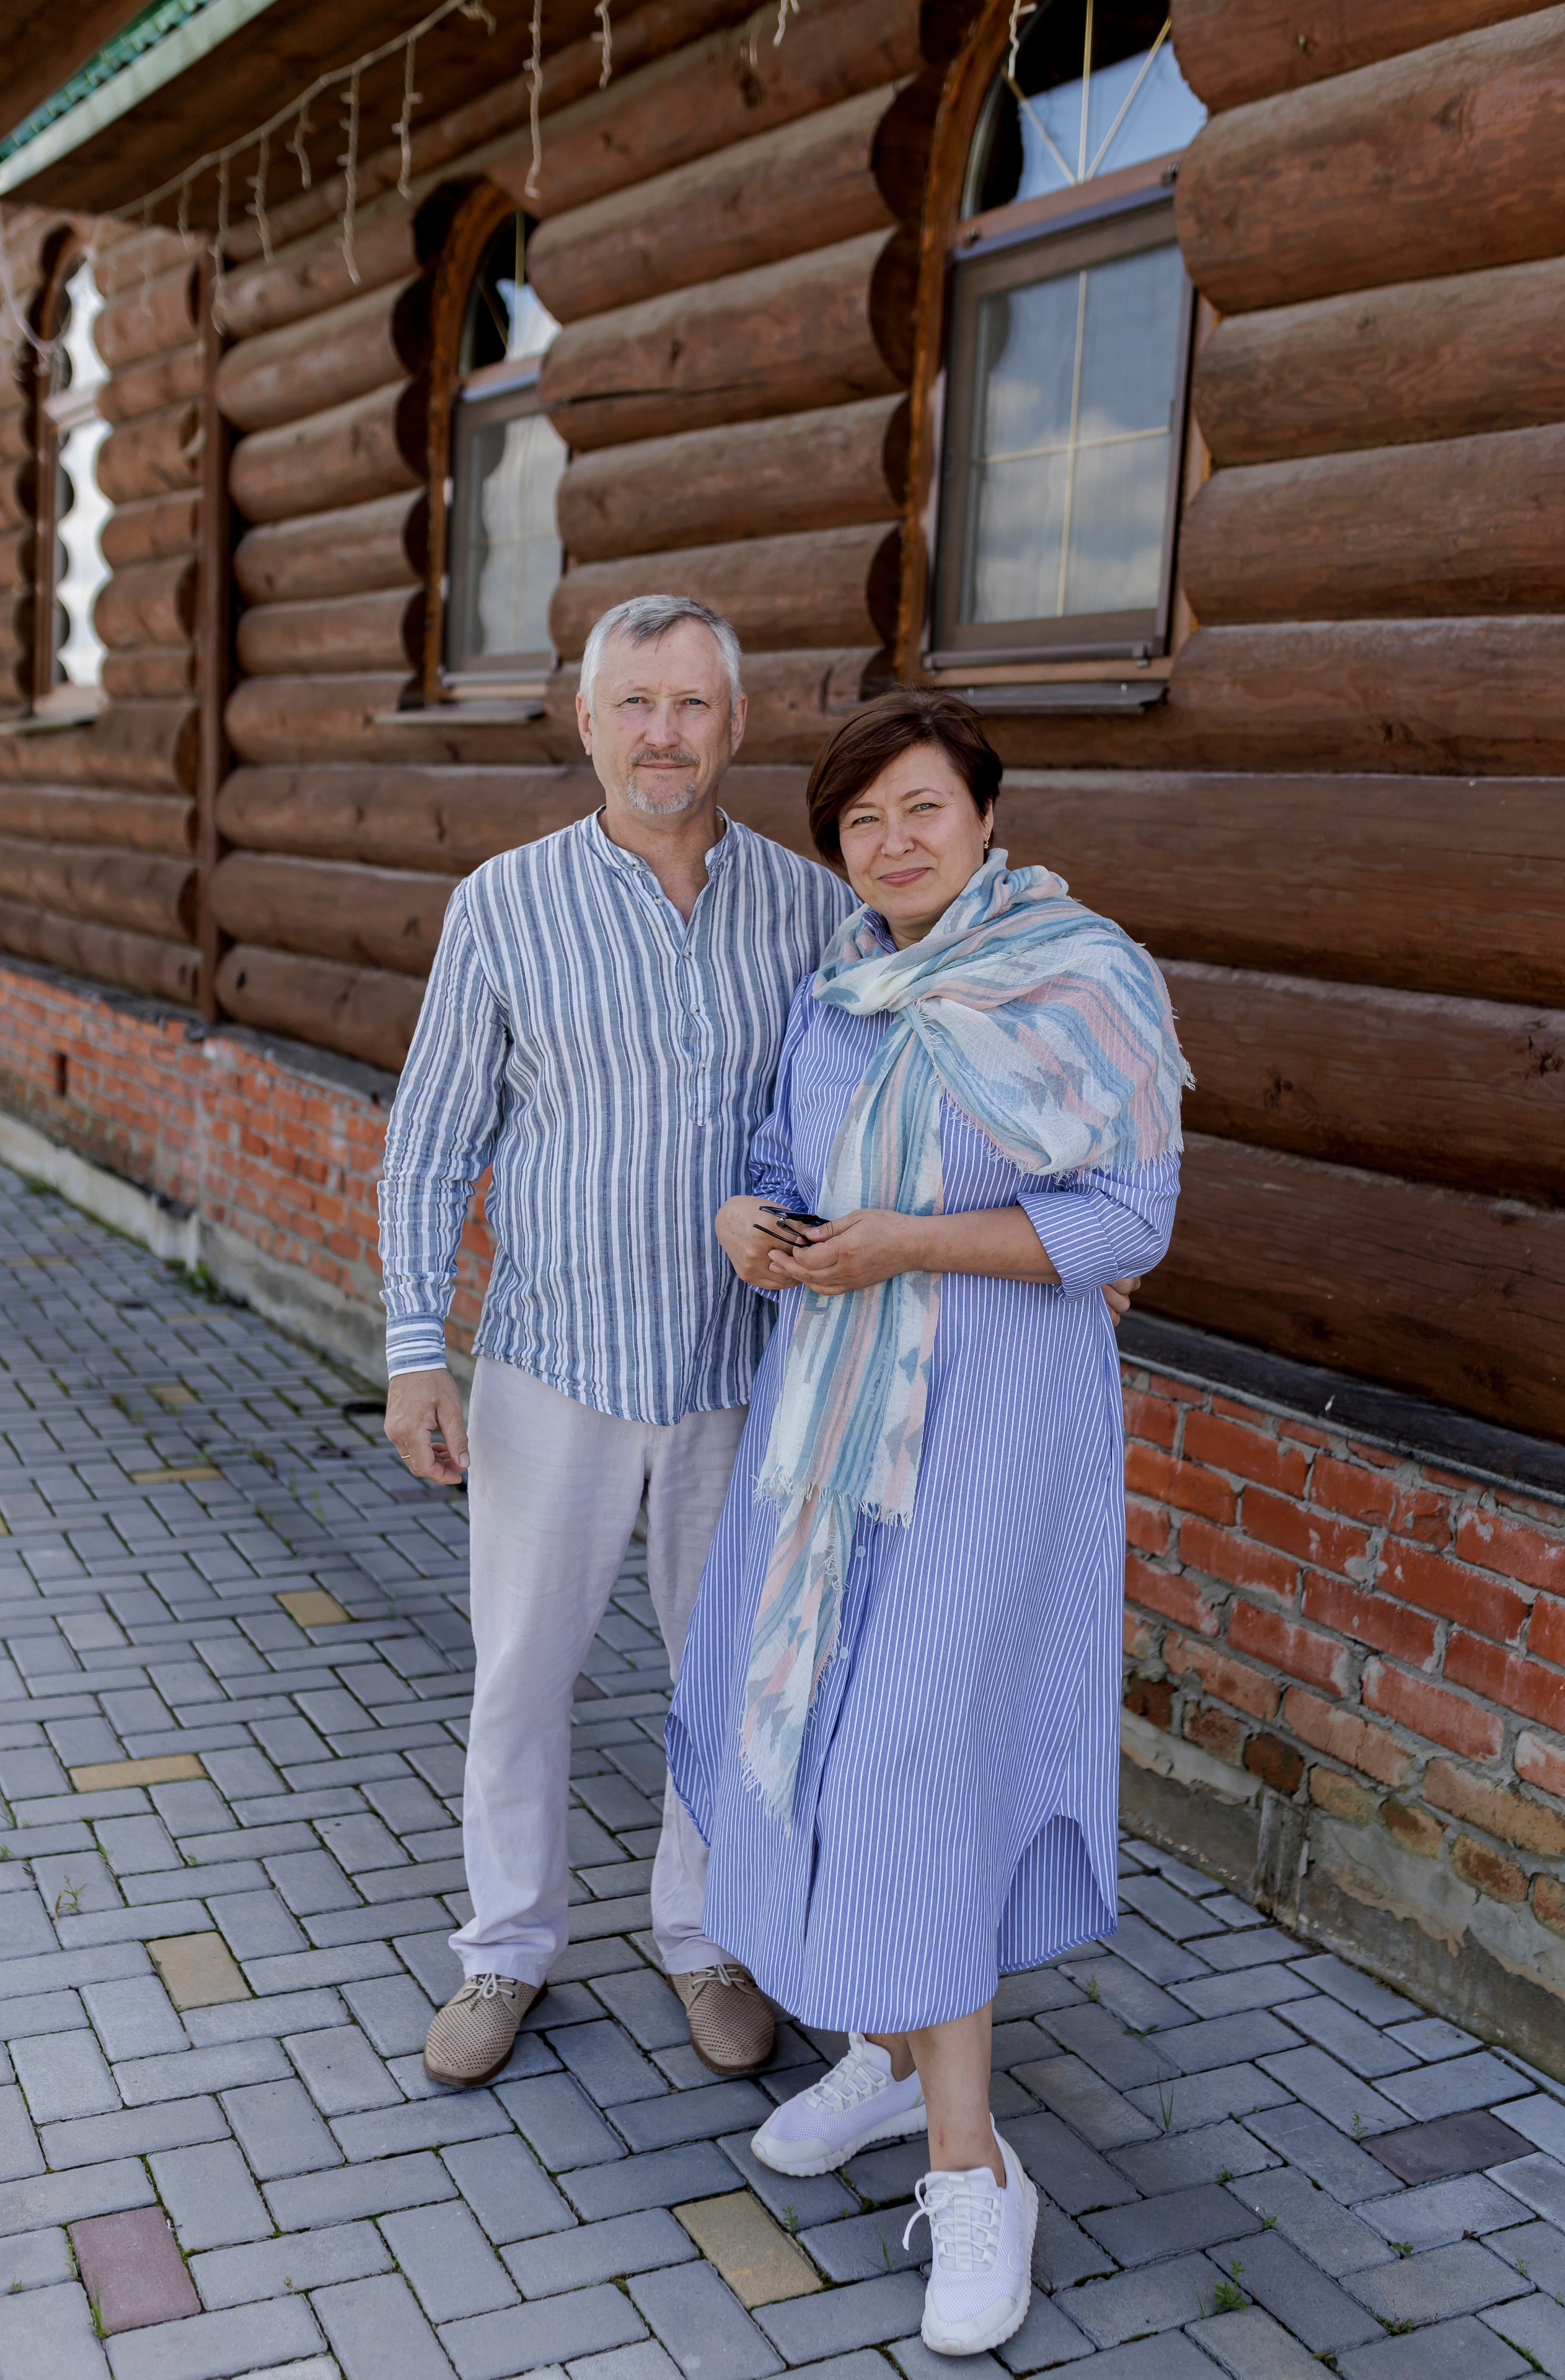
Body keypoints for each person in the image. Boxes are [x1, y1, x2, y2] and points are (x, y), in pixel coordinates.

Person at [667, 688, 1188, 2358]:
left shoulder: (1079, 978)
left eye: (922, 810)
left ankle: (976, 2171)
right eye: (861, 823)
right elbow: (780, 1156)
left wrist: (910, 1242)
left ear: (984, 815)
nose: (893, 844)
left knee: (913, 1763)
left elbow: (1127, 1219)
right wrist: (749, 1217)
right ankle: (888, 2061)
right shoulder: (839, 991)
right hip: (831, 1426)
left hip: (991, 1433)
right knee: (815, 1738)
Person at [378, 594, 855, 2086]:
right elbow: (432, 1142)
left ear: (735, 724)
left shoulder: (811, 907)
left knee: (723, 1679)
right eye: (635, 704)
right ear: (585, 722)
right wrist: (412, 1348)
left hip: (741, 1370)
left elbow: (884, 1100)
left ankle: (706, 1938)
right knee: (521, 1674)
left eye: (691, 704)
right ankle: (505, 1948)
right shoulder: (503, 904)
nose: (663, 733)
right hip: (553, 1366)